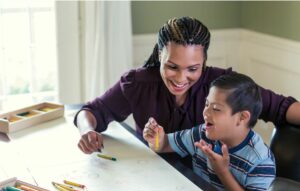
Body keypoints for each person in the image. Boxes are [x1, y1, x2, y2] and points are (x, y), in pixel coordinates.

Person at [74, 16, 300, 154]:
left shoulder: (224, 85)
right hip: (153, 176)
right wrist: (88, 131)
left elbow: (280, 106)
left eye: (193, 69)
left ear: (204, 61)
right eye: (172, 66)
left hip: (210, 183)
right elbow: (92, 111)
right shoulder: (138, 83)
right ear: (160, 55)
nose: (181, 78)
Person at [143, 73, 275, 191]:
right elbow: (164, 144)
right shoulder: (202, 134)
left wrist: (222, 172)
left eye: (216, 108)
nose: (206, 112)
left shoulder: (260, 161)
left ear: (242, 117)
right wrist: (156, 139)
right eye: (206, 104)